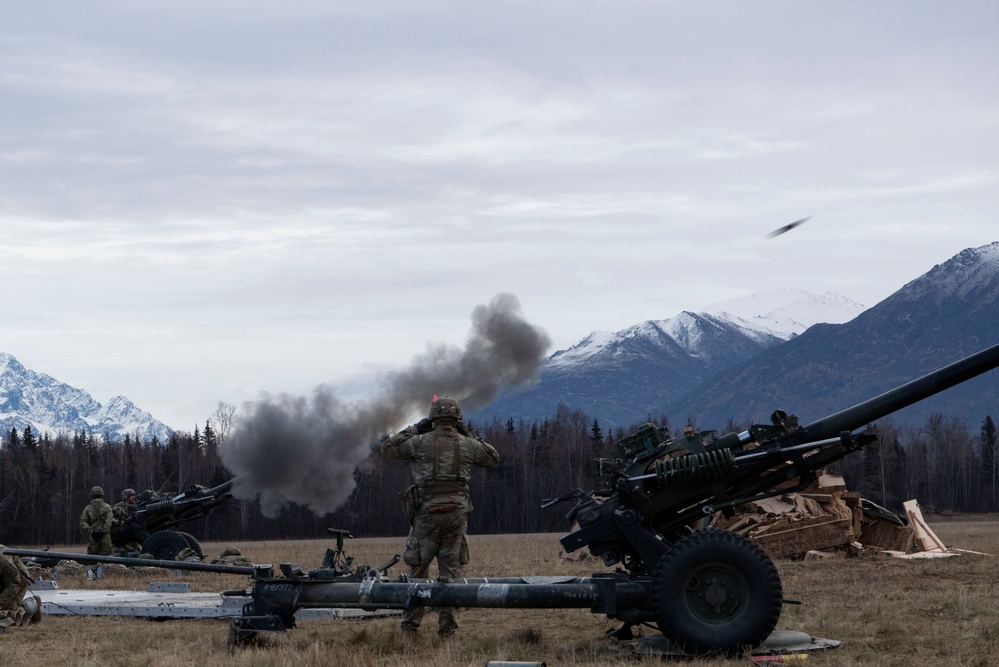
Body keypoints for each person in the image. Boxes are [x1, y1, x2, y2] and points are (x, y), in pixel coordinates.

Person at [381, 395, 499, 638]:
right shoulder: (468, 445)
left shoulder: (420, 442)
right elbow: (493, 458)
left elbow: (388, 449)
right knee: (451, 574)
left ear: (433, 417)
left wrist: (415, 427)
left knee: (418, 570)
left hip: (426, 515)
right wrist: (469, 435)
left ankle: (410, 628)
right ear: (457, 419)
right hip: (456, 515)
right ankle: (447, 631)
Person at [80, 486, 114, 556]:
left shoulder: (88, 508)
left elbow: (83, 521)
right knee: (107, 558)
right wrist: (103, 530)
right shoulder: (107, 507)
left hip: (93, 536)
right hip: (105, 537)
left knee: (92, 559)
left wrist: (90, 530)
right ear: (102, 494)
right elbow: (109, 521)